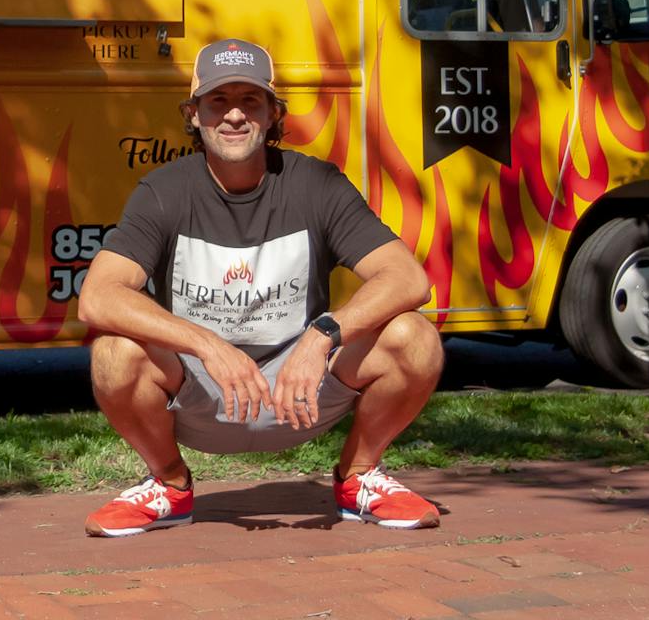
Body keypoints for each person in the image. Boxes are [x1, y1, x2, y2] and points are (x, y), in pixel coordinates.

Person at [77, 38, 444, 537]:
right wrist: (208, 345)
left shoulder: (317, 184)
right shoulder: (163, 191)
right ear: (194, 114)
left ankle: (359, 477)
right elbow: (98, 296)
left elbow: (407, 277)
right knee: (113, 352)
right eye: (218, 102)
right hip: (202, 392)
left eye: (250, 101)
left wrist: (322, 336)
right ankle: (169, 484)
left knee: (414, 337)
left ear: (273, 113)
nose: (233, 116)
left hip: (301, 391)